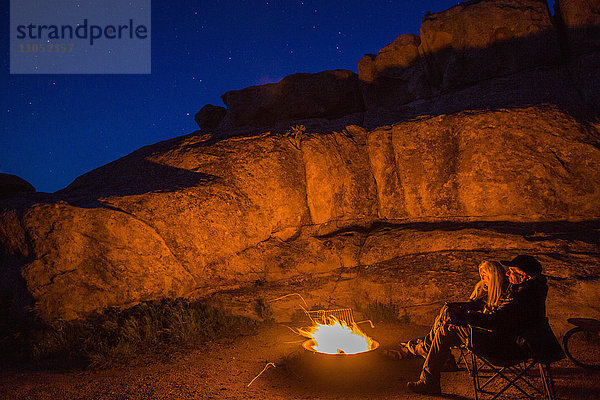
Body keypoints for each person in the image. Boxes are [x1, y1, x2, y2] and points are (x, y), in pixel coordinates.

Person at [401, 255, 548, 395]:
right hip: (512, 340)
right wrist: (462, 316)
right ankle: (428, 363)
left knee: (446, 331)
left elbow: (494, 320)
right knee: (448, 325)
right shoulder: (526, 290)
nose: (507, 274)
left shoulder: (522, 296)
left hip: (507, 347)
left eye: (511, 271)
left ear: (524, 275)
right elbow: (494, 313)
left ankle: (425, 366)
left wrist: (461, 320)